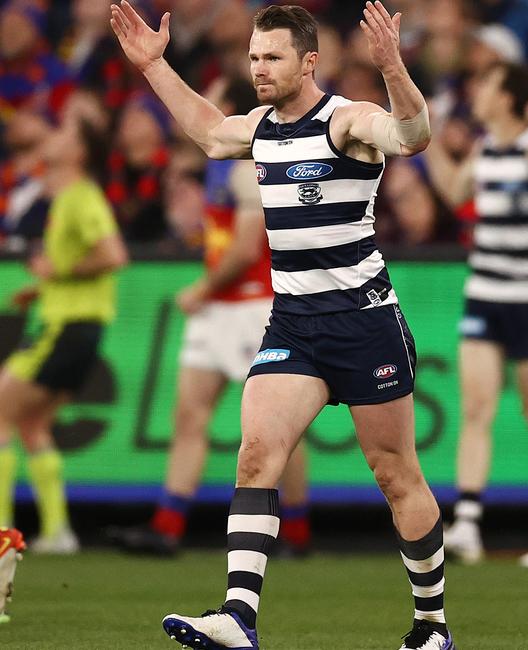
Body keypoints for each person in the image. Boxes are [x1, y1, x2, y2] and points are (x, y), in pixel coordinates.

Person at [111, 1, 456, 649]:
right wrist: (154, 67)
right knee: (255, 455)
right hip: (294, 324)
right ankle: (239, 616)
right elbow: (210, 133)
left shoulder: (346, 120)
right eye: (253, 57)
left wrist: (392, 68)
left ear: (309, 62)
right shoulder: (262, 128)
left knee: (395, 475)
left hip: (363, 323)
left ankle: (432, 626)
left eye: (272, 57)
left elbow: (413, 137)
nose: (259, 68)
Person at [110, 77, 311, 558]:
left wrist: (201, 287)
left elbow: (247, 248)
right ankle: (167, 525)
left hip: (252, 306)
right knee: (190, 416)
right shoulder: (217, 168)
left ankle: (296, 533)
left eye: (214, 98)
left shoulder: (250, 168)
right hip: (222, 309)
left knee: (276, 428)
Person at [426, 62, 528, 567]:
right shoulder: (485, 146)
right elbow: (455, 193)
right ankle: (467, 523)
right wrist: (422, 133)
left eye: (487, 84)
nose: (477, 91)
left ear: (509, 96)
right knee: (477, 409)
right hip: (484, 295)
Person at [0, 119, 128, 553]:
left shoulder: (80, 197)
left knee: (2, 413)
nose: (53, 135)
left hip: (66, 326)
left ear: (78, 153)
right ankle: (57, 532)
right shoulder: (67, 198)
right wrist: (41, 286)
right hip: (79, 325)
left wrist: (59, 274)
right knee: (33, 425)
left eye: (65, 133)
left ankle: (2, 534)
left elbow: (113, 255)